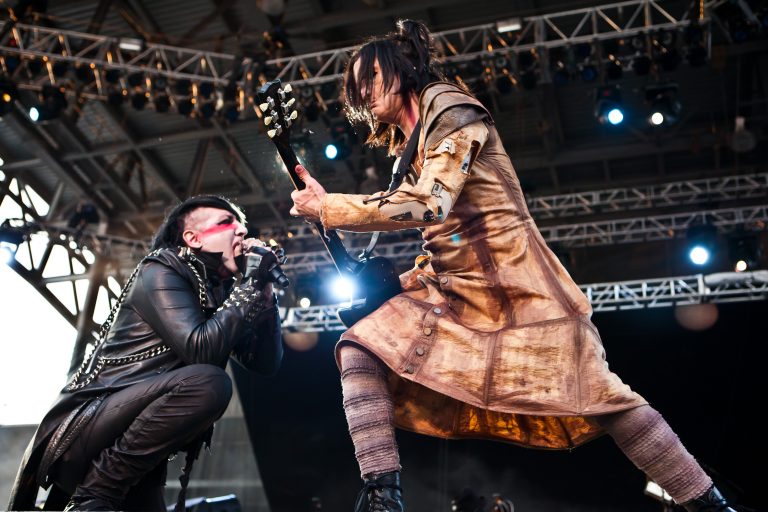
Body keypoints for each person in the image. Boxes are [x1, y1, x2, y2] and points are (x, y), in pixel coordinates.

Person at [289, 19, 736, 512]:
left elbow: (431, 204)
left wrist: (330, 208)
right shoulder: (409, 146)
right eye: (356, 85)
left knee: (606, 399)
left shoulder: (451, 109)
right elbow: (439, 229)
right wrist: (378, 261)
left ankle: (709, 504)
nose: (363, 92)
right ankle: (382, 496)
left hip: (519, 285)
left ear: (403, 70)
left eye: (372, 77)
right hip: (455, 289)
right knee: (360, 348)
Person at [8, 195, 284, 511]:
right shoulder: (162, 267)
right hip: (85, 434)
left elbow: (265, 363)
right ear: (192, 238)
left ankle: (96, 494)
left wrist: (265, 293)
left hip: (134, 459)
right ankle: (90, 498)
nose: (241, 231)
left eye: (242, 225)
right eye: (226, 222)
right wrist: (249, 286)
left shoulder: (220, 293)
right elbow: (201, 350)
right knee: (211, 382)